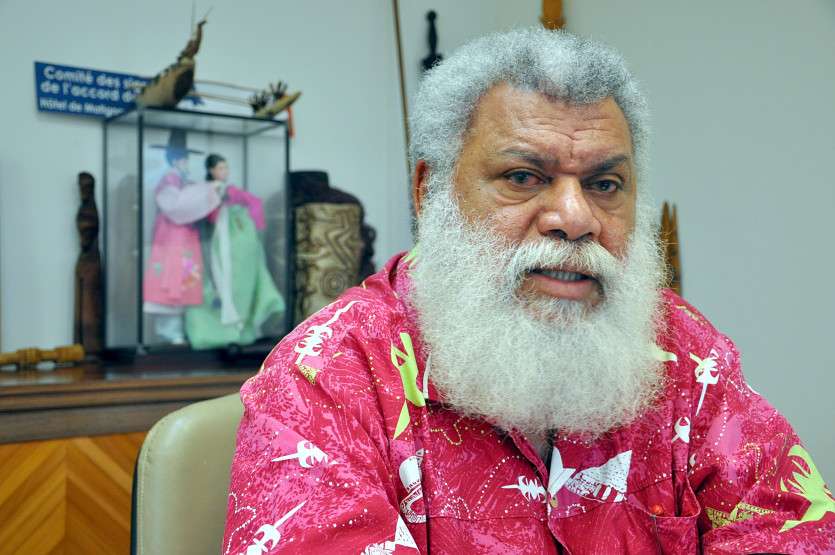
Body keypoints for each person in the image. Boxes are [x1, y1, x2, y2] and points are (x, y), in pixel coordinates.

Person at [222, 28, 835, 554]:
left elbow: (796, 531)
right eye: (523, 176)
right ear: (429, 191)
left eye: (604, 184)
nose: (575, 217)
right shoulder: (326, 376)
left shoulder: (684, 353)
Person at [184, 154, 285, 349]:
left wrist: (256, 228)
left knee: (238, 286)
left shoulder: (230, 192)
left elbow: (253, 202)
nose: (225, 172)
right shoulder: (205, 191)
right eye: (221, 168)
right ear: (211, 171)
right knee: (211, 286)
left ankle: (240, 329)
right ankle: (211, 332)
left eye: (226, 168)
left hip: (232, 243)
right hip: (209, 243)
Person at [143, 130, 220, 345]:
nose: (186, 163)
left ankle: (180, 331)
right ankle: (169, 332)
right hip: (172, 238)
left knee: (184, 281)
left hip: (184, 238)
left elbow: (190, 203)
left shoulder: (183, 181)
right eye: (184, 159)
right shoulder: (168, 181)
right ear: (176, 160)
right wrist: (206, 190)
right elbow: (176, 207)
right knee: (171, 282)